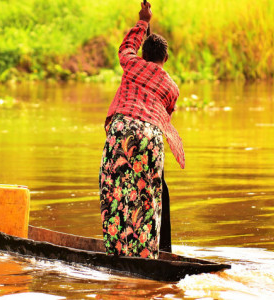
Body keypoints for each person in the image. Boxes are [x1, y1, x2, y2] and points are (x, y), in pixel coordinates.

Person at [99, 1, 185, 259]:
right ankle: (146, 256)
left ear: (143, 55)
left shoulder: (132, 64)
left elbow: (126, 47)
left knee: (115, 190)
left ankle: (117, 254)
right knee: (147, 198)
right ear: (165, 59)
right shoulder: (172, 88)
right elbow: (167, 116)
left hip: (122, 129)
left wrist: (143, 21)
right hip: (152, 138)